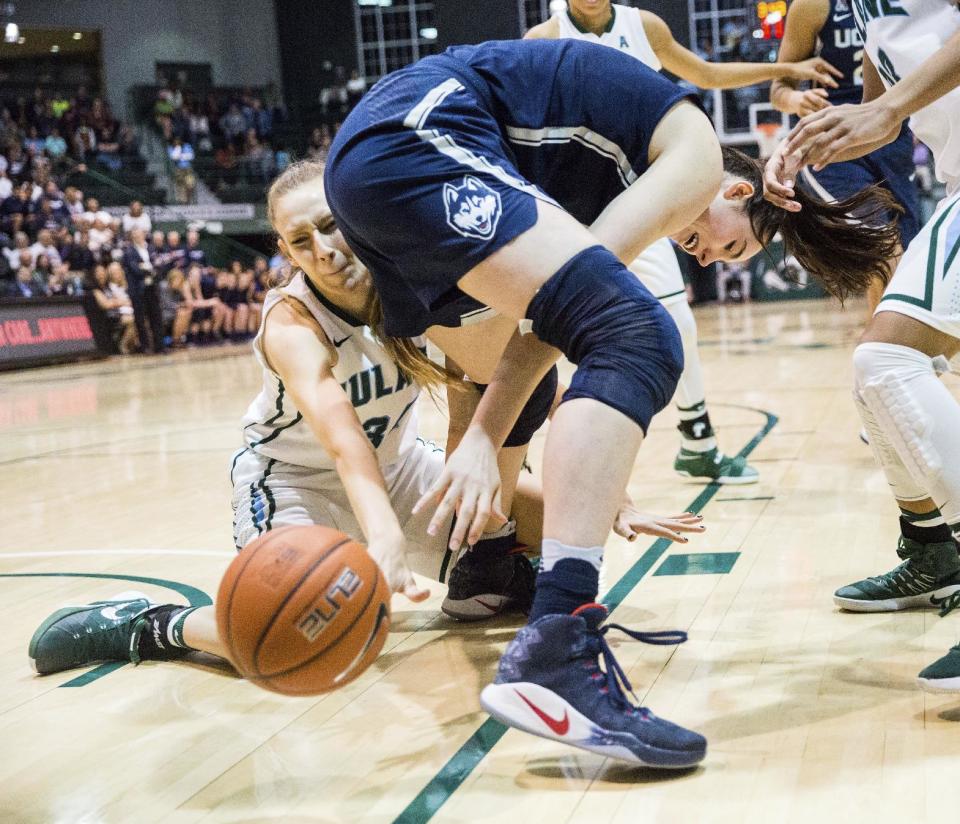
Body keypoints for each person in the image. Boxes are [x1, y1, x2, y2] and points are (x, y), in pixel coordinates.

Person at [321, 38, 897, 766]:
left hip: (384, 158)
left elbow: (544, 329)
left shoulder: (610, 177)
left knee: (534, 370)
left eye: (721, 264)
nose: (704, 256)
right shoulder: (698, 159)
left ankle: (489, 568)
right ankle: (560, 640)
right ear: (736, 192)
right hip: (420, 138)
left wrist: (486, 436)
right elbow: (586, 326)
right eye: (727, 248)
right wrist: (479, 437)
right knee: (640, 336)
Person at [26, 160, 703, 687]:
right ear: (286, 253)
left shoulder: (416, 281)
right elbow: (343, 445)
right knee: (283, 634)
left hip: (399, 471)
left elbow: (518, 369)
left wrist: (615, 497)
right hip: (293, 482)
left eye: (329, 225)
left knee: (560, 529)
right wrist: (382, 538)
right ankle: (152, 626)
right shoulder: (291, 324)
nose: (322, 248)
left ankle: (486, 578)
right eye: (301, 240)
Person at [524, 0, 842, 484]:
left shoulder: (641, 26)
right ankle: (520, 446)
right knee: (531, 319)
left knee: (676, 322)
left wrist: (785, 67)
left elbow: (706, 73)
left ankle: (698, 442)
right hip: (575, 192)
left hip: (648, 189)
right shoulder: (542, 39)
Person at [764, 0, 960, 693]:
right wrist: (800, 148)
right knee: (877, 371)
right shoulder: (872, 22)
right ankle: (935, 548)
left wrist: (884, 109)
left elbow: (889, 108)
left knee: (887, 361)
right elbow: (882, 117)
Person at [769, 0, 921, 318]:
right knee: (883, 244)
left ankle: (896, 341)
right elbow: (779, 88)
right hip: (833, 143)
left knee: (909, 251)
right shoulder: (812, 6)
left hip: (891, 134)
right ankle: (890, 347)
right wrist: (797, 98)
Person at [122, 227, 166, 354]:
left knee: (156, 317)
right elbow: (135, 269)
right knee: (140, 319)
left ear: (144, 235)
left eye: (139, 234)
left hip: (152, 288)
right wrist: (150, 269)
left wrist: (148, 268)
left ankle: (160, 346)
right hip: (138, 290)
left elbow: (159, 265)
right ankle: (145, 347)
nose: (137, 236)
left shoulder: (151, 248)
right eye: (134, 235)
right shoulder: (129, 251)